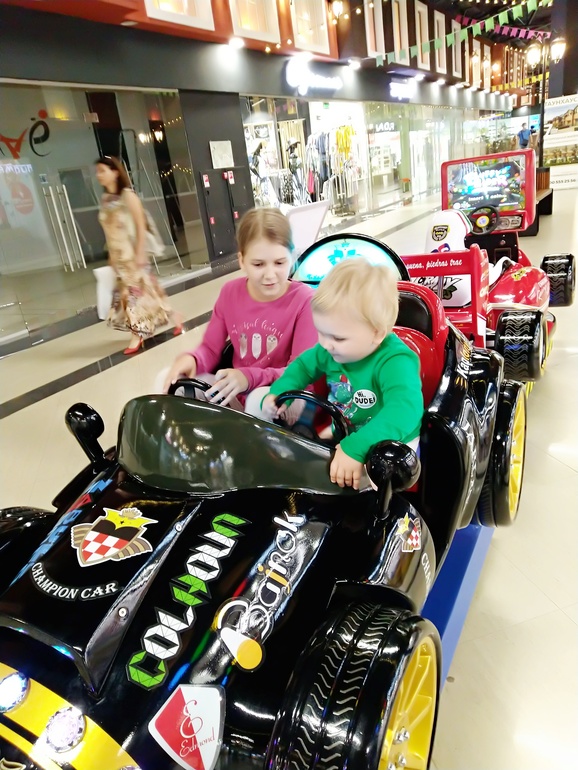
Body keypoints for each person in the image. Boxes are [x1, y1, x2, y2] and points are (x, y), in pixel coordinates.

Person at [260, 259, 424, 490]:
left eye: (338, 338)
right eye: (321, 332)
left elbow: (404, 411)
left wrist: (356, 447)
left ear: (376, 333)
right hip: (347, 435)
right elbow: (302, 367)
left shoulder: (395, 361)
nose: (325, 344)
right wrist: (279, 393)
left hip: (390, 444)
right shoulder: (330, 350)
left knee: (348, 486)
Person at [161, 207, 317, 413]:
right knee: (171, 381)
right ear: (242, 261)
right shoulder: (230, 293)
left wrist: (248, 378)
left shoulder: (304, 300)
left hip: (288, 394)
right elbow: (210, 348)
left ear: (292, 257)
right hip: (239, 390)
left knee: (259, 401)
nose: (270, 275)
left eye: (279, 263)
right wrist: (193, 359)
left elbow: (300, 372)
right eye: (258, 264)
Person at [95, 156, 182, 354]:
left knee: (130, 296)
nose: (99, 175)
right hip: (118, 256)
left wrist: (140, 252)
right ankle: (174, 316)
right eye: (98, 171)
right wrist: (111, 256)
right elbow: (109, 231)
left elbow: (141, 224)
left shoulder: (128, 196)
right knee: (149, 292)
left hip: (132, 254)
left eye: (102, 170)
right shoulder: (106, 200)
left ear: (115, 172)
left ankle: (137, 335)